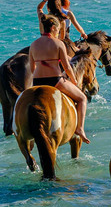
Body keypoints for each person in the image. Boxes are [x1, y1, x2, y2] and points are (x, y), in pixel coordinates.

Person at [24, 15, 90, 145]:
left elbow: (32, 68)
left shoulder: (33, 45)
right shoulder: (58, 44)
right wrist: (73, 81)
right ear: (53, 28)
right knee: (82, 98)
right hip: (55, 80)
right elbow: (67, 67)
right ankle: (80, 129)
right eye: (58, 29)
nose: (59, 32)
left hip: (37, 81)